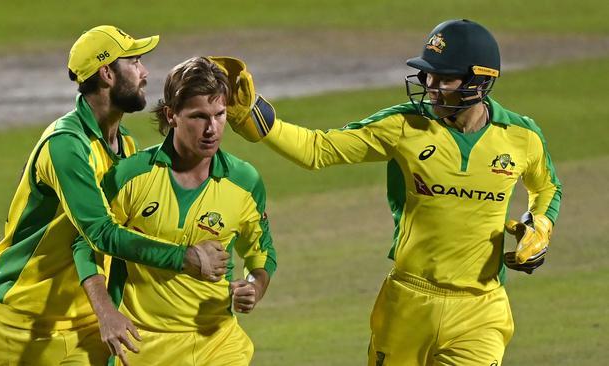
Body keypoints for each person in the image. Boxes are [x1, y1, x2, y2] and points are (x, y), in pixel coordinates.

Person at [213, 18, 562, 366]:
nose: (430, 86)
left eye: (444, 79)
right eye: (428, 75)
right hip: (407, 305)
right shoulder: (404, 125)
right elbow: (318, 150)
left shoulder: (521, 136)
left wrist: (541, 225)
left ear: (479, 81)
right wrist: (252, 116)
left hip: (480, 311)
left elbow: (546, 186)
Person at [0, 26, 229, 365]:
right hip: (25, 327)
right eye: (135, 62)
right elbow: (99, 234)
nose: (144, 72)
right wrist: (185, 258)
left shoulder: (125, 146)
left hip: (88, 324)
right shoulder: (66, 146)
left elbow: (136, 229)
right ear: (107, 73)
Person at [72, 56, 277, 365]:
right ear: (171, 116)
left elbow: (261, 254)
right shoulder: (130, 176)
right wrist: (106, 313)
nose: (212, 129)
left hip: (217, 344)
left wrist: (254, 286)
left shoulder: (245, 182)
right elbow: (85, 244)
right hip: (144, 346)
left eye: (219, 115)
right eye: (198, 116)